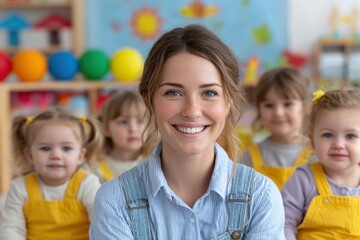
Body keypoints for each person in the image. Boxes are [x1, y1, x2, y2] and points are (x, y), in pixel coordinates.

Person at [90, 24, 285, 239]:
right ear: (148, 100)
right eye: (173, 92)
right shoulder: (114, 201)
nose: (192, 111)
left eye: (209, 92)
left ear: (228, 101)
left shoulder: (261, 196)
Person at [0, 107, 103, 240]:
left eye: (66, 148)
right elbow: (11, 229)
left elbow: (102, 225)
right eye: (45, 148)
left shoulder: (87, 184)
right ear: (30, 155)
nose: (55, 155)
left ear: (80, 156)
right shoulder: (20, 187)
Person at [282, 89, 360, 239]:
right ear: (312, 141)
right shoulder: (303, 180)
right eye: (328, 135)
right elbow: (284, 223)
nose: (338, 144)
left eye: (351, 136)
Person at [241, 67, 313, 189]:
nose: (278, 113)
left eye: (287, 104)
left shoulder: (317, 154)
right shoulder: (249, 156)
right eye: (269, 105)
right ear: (259, 110)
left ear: (305, 107)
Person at [94, 90, 146, 183]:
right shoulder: (95, 167)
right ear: (106, 129)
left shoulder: (155, 164)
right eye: (124, 122)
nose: (133, 129)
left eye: (140, 121)